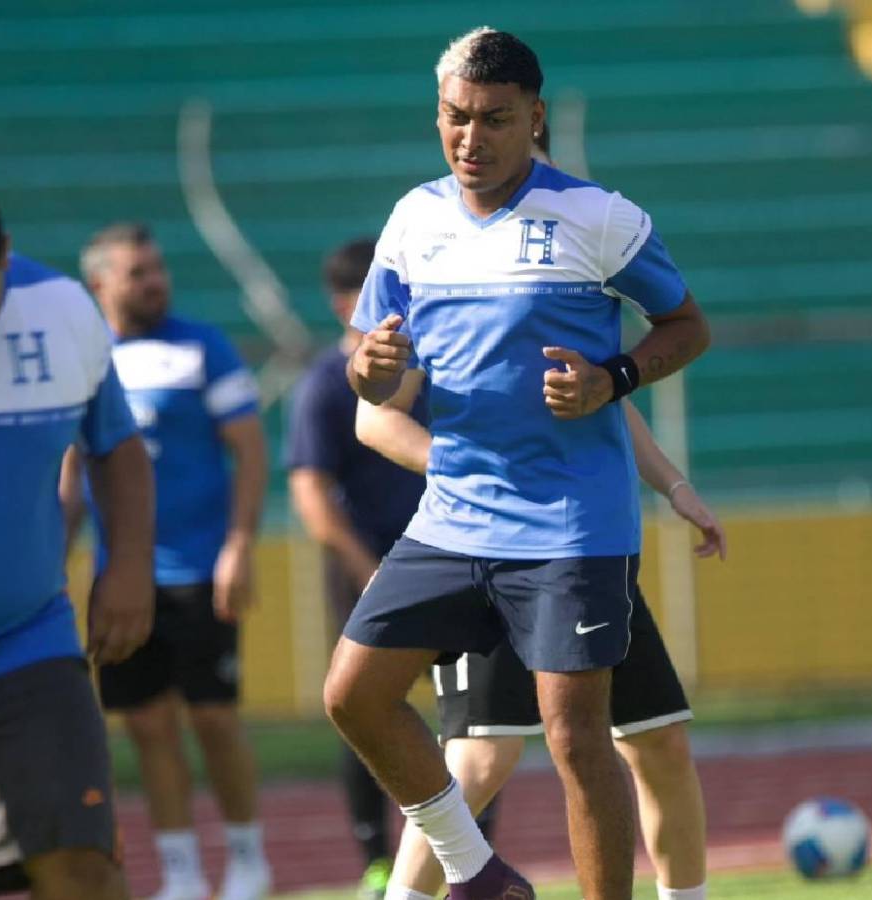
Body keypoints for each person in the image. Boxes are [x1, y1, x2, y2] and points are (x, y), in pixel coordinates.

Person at [322, 27, 711, 900]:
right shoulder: (414, 220)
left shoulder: (596, 216)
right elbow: (370, 372)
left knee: (579, 740)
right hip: (455, 515)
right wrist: (371, 371)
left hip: (572, 522)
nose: (471, 138)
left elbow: (688, 326)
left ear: (534, 119)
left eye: (494, 120)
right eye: (455, 119)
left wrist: (613, 378)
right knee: (352, 695)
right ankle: (479, 875)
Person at [359, 376, 722, 900]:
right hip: (487, 547)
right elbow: (372, 417)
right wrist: (462, 475)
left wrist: (675, 486)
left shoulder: (578, 296)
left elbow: (611, 405)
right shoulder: (431, 297)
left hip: (588, 546)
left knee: (659, 741)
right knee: (481, 757)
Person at [0, 172, 154, 899]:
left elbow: (115, 446)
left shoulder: (61, 310)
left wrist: (130, 565)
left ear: (6, 257)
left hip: (20, 652)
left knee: (82, 873)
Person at [61, 223, 271, 900]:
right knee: (148, 726)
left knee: (213, 717)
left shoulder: (201, 345)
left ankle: (247, 861)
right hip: (122, 578)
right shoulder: (83, 358)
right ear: (100, 284)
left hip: (201, 572)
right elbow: (70, 474)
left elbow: (251, 450)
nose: (154, 281)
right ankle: (180, 872)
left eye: (156, 269)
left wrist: (239, 543)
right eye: (137, 272)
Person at [286, 238, 497, 898]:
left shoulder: (435, 363)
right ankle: (379, 861)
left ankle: (477, 857)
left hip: (455, 556)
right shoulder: (326, 384)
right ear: (347, 304)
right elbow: (311, 490)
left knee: (474, 720)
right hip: (372, 567)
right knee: (364, 706)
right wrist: (366, 567)